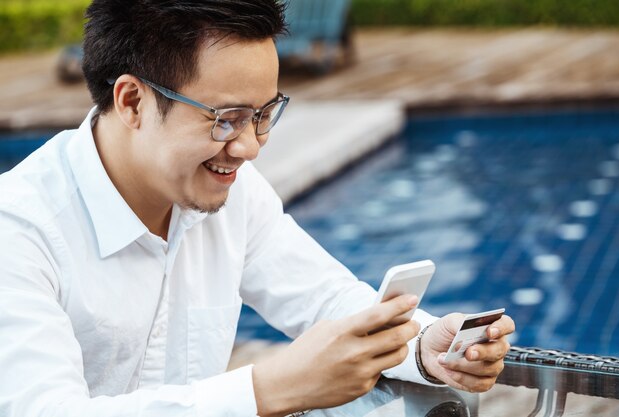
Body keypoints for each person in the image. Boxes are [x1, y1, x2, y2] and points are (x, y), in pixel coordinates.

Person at [0, 1, 515, 416]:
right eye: (226, 119)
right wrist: (268, 390)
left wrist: (424, 345)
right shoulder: (19, 230)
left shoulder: (232, 193)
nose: (249, 147)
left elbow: (324, 298)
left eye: (263, 114)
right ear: (132, 102)